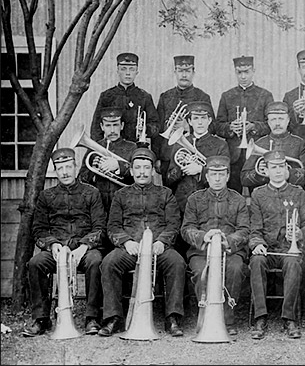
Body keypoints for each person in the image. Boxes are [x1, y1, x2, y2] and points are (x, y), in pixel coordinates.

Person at [99, 148, 186, 337]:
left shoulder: (166, 194)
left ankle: (173, 317)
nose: (142, 172)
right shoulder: (121, 195)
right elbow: (112, 226)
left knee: (177, 263)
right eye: (137, 168)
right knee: (108, 263)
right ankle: (113, 318)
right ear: (131, 171)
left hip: (158, 249)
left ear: (153, 171)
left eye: (146, 168)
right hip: (130, 249)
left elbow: (173, 224)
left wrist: (162, 241)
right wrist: (126, 242)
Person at [23, 148, 106, 337]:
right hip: (57, 250)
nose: (65, 172)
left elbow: (100, 226)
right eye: (60, 169)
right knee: (35, 264)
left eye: (69, 167)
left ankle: (91, 317)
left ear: (76, 168)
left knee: (96, 262)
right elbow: (39, 229)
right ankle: (41, 318)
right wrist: (52, 244)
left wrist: (85, 245)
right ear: (56, 171)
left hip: (84, 248)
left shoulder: (91, 193)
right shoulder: (46, 196)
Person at [180, 155, 249, 337]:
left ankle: (228, 318)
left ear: (227, 176)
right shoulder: (195, 199)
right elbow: (186, 229)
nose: (217, 179)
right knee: (200, 272)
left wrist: (228, 241)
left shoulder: (238, 200)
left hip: (230, 251)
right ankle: (205, 314)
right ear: (207, 176)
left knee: (235, 269)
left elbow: (244, 230)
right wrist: (204, 236)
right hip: (202, 251)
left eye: (221, 174)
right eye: (213, 174)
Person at [248, 150, 305, 340]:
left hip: (288, 249)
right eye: (273, 167)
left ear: (287, 169)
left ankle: (289, 318)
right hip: (267, 249)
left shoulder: (298, 193)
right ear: (266, 171)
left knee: (293, 263)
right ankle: (260, 317)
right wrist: (257, 244)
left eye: (281, 167)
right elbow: (254, 229)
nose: (277, 171)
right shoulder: (258, 194)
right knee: (256, 261)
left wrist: (300, 233)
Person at [215, 56, 274, 193]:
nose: (243, 76)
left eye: (246, 72)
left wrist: (253, 127)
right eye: (239, 72)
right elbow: (217, 126)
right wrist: (230, 128)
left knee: (259, 193)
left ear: (253, 71)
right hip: (234, 155)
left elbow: (271, 125)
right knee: (233, 194)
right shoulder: (227, 96)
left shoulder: (265, 95)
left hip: (256, 153)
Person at [153, 55, 214, 181]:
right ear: (175, 72)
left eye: (188, 71)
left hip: (193, 156)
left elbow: (213, 127)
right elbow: (158, 129)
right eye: (180, 71)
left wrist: (187, 127)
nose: (184, 75)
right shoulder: (165, 97)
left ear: (193, 73)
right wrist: (156, 157)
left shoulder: (202, 97)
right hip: (167, 155)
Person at [165, 101, 229, 216]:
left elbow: (226, 174)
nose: (200, 122)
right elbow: (169, 179)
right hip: (183, 201)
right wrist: (182, 169)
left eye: (203, 118)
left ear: (209, 121)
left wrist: (200, 170)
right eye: (195, 118)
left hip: (210, 201)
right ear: (189, 121)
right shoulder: (180, 143)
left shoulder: (220, 144)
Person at [90, 52, 160, 145]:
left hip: (136, 148)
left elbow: (155, 125)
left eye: (132, 69)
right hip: (112, 147)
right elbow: (96, 128)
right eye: (123, 69)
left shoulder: (144, 97)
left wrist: (145, 129)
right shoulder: (107, 96)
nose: (128, 73)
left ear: (137, 72)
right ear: (117, 71)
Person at [78, 107, 136, 216]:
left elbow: (139, 174)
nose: (112, 130)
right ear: (102, 127)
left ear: (122, 126)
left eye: (115, 125)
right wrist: (92, 171)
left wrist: (118, 165)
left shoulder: (132, 147)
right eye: (108, 126)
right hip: (100, 205)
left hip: (125, 204)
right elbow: (81, 179)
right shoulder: (93, 148)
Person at [241, 101, 305, 191]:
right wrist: (261, 173)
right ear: (268, 122)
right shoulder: (259, 143)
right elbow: (244, 178)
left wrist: (288, 174)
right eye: (273, 119)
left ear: (288, 120)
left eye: (281, 119)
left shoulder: (300, 143)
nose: (277, 123)